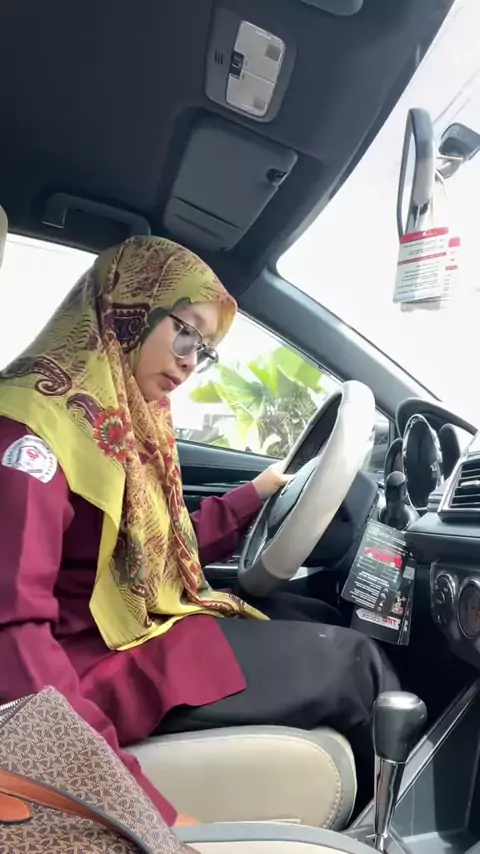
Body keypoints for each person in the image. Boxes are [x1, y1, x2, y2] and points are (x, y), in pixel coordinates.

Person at [0, 232, 399, 826]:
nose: (190, 360)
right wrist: (133, 805)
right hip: (92, 669)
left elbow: (153, 546)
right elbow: (14, 640)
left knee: (316, 617)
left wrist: (254, 497)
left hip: (130, 632)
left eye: (203, 349)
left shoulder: (117, 416)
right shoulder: (29, 435)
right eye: (185, 332)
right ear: (129, 307)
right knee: (355, 664)